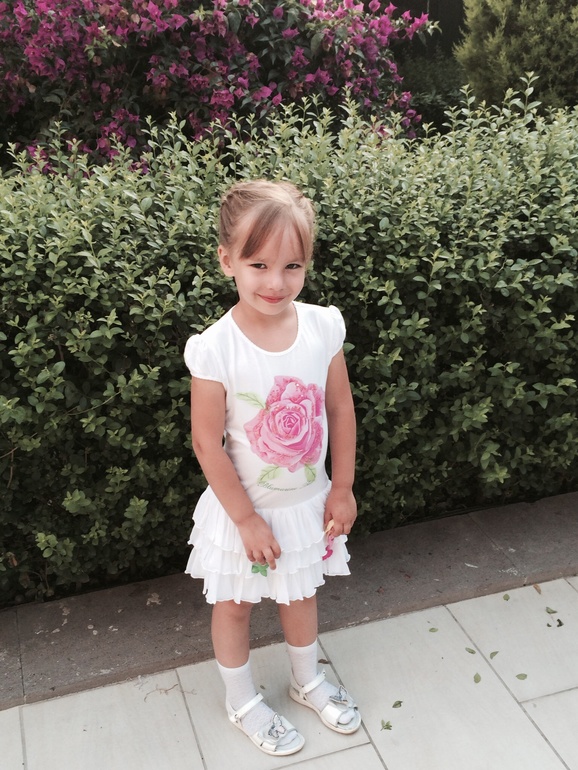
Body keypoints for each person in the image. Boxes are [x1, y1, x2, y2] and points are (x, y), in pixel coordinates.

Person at [183, 179, 360, 756]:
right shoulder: (216, 348)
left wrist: (342, 486)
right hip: (245, 514)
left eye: (292, 266)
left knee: (300, 594)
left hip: (307, 506)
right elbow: (207, 444)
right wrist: (245, 520)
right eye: (258, 264)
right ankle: (241, 700)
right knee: (234, 606)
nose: (276, 282)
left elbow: (339, 408)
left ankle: (306, 680)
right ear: (227, 261)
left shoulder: (322, 327)